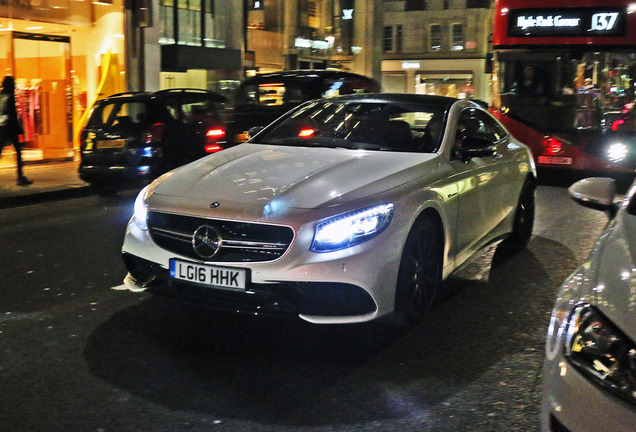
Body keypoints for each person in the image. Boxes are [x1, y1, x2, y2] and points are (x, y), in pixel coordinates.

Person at [0, 75, 31, 186]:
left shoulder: (0, 96)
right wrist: (19, 130)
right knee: (18, 152)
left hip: (1, 128)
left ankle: (21, 176)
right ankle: (20, 177)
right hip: (10, 129)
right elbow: (13, 115)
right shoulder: (10, 97)